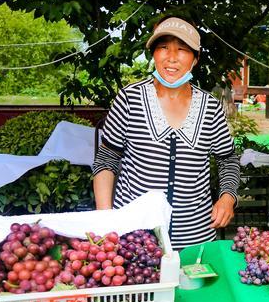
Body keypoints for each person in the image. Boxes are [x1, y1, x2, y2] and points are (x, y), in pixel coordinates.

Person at [93, 16, 240, 249]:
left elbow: (228, 160)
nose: (171, 58)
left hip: (194, 240)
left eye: (182, 49)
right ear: (153, 53)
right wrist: (106, 218)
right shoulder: (130, 99)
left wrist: (227, 197)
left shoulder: (210, 107)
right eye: (163, 47)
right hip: (135, 238)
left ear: (195, 58)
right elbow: (107, 158)